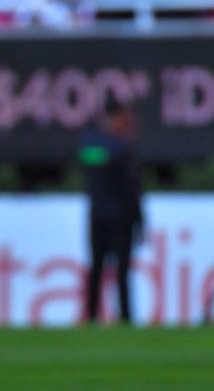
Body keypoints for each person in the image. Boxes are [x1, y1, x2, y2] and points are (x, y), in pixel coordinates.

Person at [78, 98, 143, 324]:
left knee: (120, 272)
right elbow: (88, 157)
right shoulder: (115, 146)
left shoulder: (113, 146)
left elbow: (133, 188)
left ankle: (123, 317)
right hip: (106, 217)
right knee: (99, 268)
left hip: (117, 217)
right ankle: (94, 316)